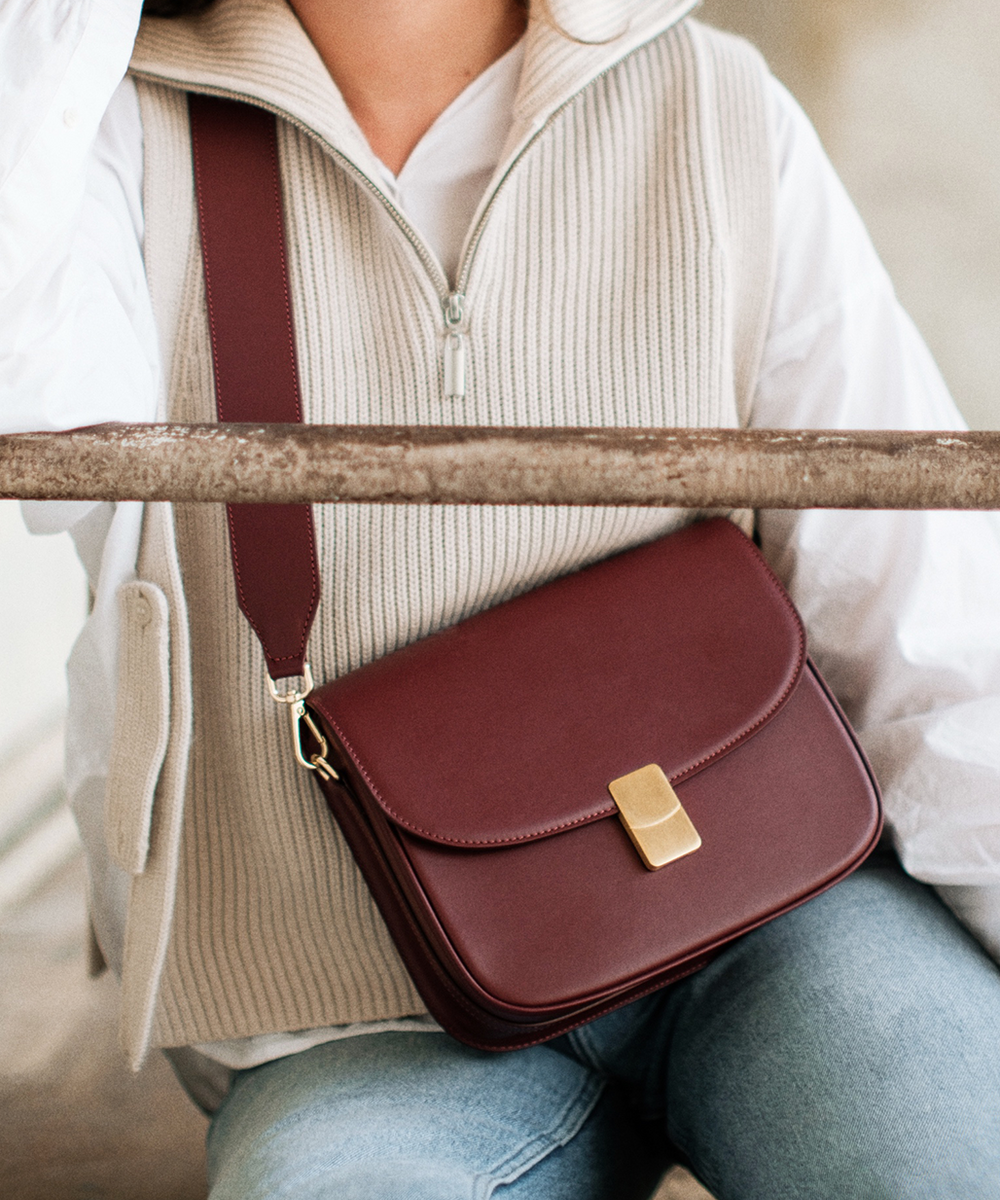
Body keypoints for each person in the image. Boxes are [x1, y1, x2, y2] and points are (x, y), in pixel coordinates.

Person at [3, 0, 1000, 1195]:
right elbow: (36, 414)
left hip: (776, 912)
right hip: (356, 997)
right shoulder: (98, 133)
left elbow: (925, 616)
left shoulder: (711, 103)